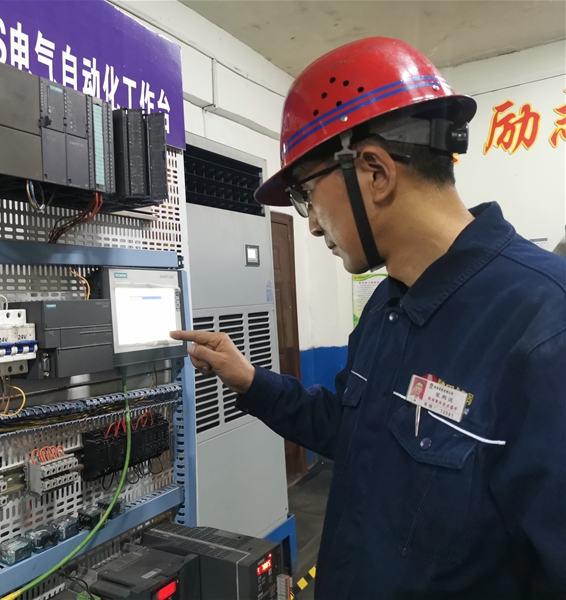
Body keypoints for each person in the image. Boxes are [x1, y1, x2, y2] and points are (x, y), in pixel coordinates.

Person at [171, 37, 566, 598]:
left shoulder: (545, 326)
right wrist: (252, 382)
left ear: (375, 172)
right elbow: (349, 428)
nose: (311, 224)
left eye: (307, 195)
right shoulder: (388, 305)